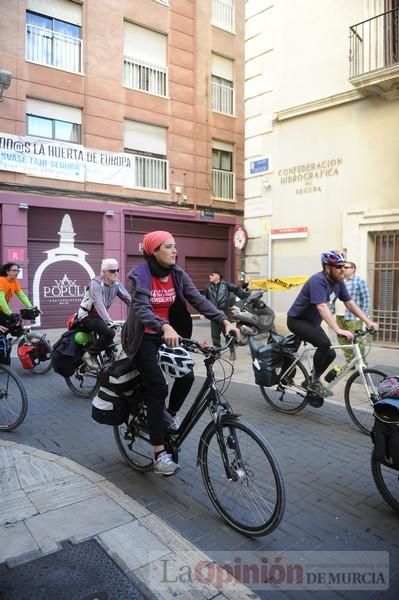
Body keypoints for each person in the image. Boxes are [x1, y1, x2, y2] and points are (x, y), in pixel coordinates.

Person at [122, 230, 237, 476]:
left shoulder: (177, 274)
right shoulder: (140, 275)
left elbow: (198, 299)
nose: (175, 251)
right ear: (154, 251)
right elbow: (141, 308)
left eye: (175, 246)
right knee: (158, 388)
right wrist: (163, 325)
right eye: (168, 247)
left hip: (169, 334)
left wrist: (224, 320)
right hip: (143, 337)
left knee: (186, 376)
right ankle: (159, 454)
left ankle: (168, 416)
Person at [287, 250, 378, 400]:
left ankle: (310, 380)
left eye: (343, 266)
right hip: (297, 321)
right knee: (324, 343)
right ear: (327, 268)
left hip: (313, 323)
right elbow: (321, 307)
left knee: (330, 353)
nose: (342, 269)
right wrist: (338, 329)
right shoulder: (317, 281)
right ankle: (314, 382)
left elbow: (349, 303)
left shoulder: (338, 282)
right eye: (338, 266)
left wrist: (368, 322)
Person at [77, 258, 131, 371]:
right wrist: (109, 321)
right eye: (112, 271)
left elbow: (128, 299)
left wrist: (144, 312)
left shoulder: (116, 284)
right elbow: (98, 303)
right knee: (109, 333)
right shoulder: (95, 283)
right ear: (104, 272)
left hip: (100, 317)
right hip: (87, 315)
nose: (116, 273)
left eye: (117, 270)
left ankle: (107, 368)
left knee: (112, 348)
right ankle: (90, 354)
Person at [204, 270, 248, 360]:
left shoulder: (226, 285)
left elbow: (237, 289)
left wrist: (245, 289)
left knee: (228, 334)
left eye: (212, 275)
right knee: (215, 335)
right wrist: (204, 312)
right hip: (214, 314)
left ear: (218, 276)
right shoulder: (208, 287)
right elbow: (205, 300)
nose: (210, 276)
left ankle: (232, 351)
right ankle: (217, 352)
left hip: (224, 314)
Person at [336, 261, 371, 365]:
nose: (343, 269)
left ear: (353, 269)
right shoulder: (339, 281)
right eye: (342, 267)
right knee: (343, 341)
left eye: (346, 267)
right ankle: (350, 362)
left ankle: (362, 364)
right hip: (339, 316)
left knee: (357, 341)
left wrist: (362, 316)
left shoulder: (359, 281)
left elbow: (366, 299)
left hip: (353, 317)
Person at [0, 262, 34, 327]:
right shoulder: (1, 280)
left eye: (18, 271)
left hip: (2, 309)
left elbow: (21, 295)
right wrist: (9, 312)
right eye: (14, 270)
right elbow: (1, 299)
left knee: (11, 326)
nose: (17, 272)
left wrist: (30, 307)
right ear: (7, 272)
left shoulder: (14, 281)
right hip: (2, 309)